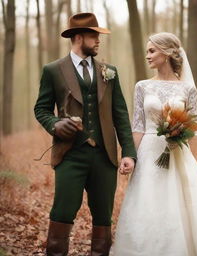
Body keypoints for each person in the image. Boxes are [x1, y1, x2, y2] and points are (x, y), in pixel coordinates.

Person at [111, 32, 197, 256]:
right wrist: (129, 156)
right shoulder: (142, 87)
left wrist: (177, 135)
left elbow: (193, 128)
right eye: (147, 51)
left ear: (168, 53)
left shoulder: (188, 89)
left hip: (178, 154)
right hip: (148, 152)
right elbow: (138, 126)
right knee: (147, 201)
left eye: (152, 50)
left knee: (180, 203)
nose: (147, 56)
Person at [34, 12, 136, 256]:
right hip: (70, 155)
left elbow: (120, 114)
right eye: (94, 36)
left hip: (105, 156)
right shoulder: (53, 70)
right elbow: (41, 109)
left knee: (103, 217)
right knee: (62, 213)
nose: (99, 41)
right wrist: (54, 124)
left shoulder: (109, 71)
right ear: (79, 37)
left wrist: (129, 152)